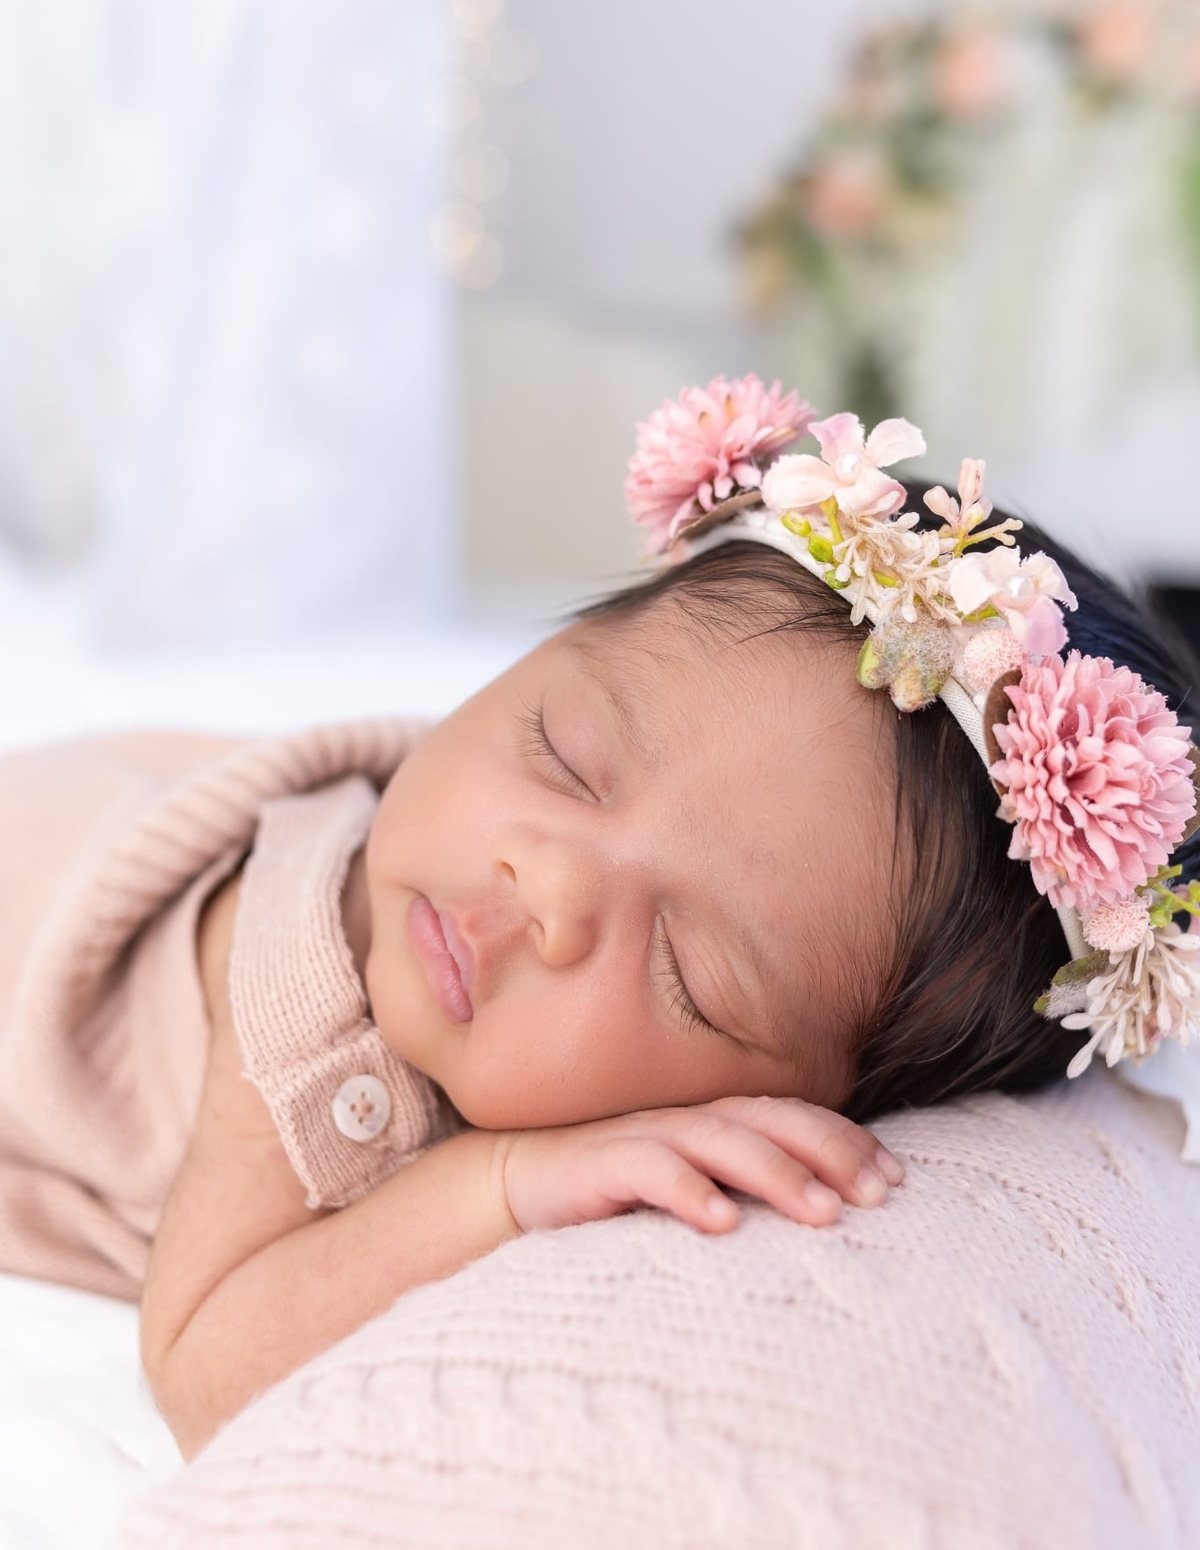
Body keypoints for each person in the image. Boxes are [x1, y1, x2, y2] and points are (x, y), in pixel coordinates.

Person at [0, 377, 1195, 1465]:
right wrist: (503, 1183)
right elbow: (206, 1364)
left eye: (686, 970)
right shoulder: (296, 970)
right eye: (563, 755)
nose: (549, 888)